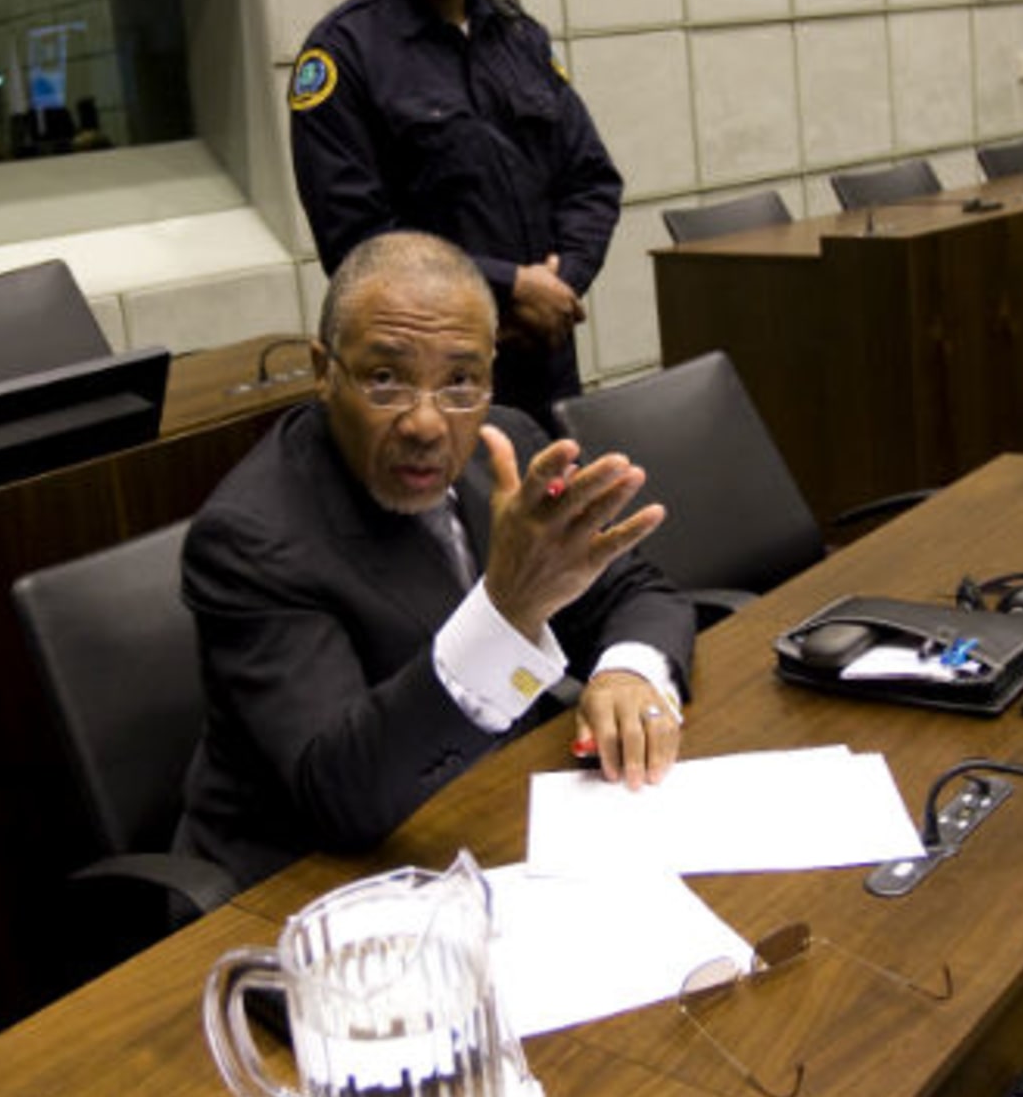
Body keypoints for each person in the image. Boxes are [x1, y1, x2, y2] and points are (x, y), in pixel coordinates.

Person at [174, 232, 696, 890]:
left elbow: (636, 591)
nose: (426, 422)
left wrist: (629, 672)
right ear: (323, 371)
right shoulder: (250, 540)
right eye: (386, 378)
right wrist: (506, 611)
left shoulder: (504, 442)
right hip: (310, 890)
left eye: (459, 381)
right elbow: (341, 794)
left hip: (488, 821)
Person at [288, 0, 622, 431]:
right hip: (428, 386)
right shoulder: (342, 55)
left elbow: (591, 181)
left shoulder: (519, 39)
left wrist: (557, 287)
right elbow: (357, 241)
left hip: (542, 361)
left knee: (555, 518)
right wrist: (507, 288)